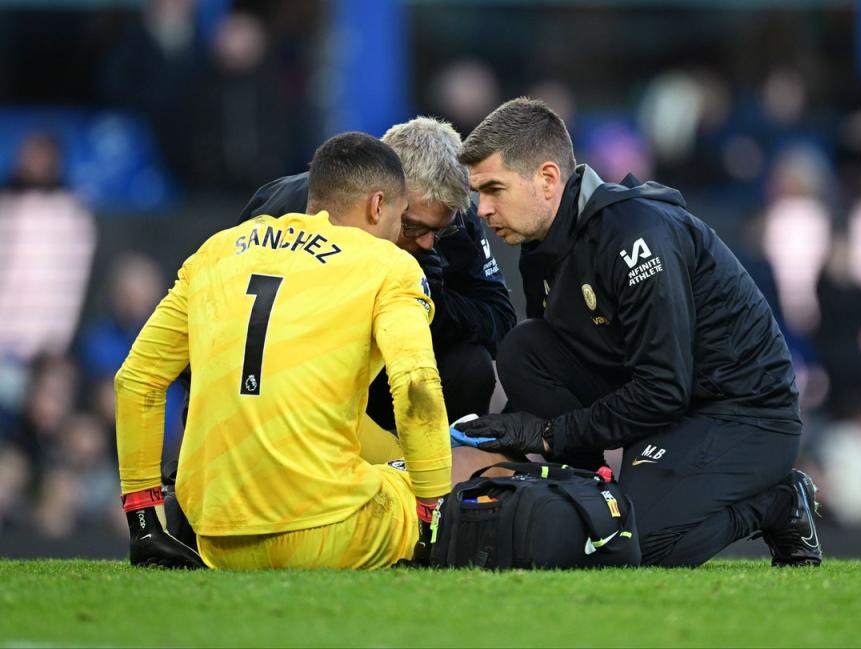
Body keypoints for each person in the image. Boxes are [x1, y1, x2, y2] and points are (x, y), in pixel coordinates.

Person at [455, 98, 822, 568]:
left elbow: (664, 388)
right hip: (668, 400)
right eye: (477, 194)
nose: (482, 210)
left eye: (493, 190)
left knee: (639, 544)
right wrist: (514, 434)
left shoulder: (634, 236)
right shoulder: (541, 244)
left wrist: (548, 433)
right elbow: (570, 363)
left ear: (547, 179)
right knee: (526, 348)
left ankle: (780, 503)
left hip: (742, 412)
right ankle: (585, 500)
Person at [115, 133, 451, 569]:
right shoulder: (388, 265)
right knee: (411, 479)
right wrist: (430, 523)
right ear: (377, 205)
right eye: (402, 219)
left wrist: (145, 524)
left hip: (218, 538)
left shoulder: (216, 251)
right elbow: (416, 387)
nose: (402, 236)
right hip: (333, 532)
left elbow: (136, 380)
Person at [238, 117, 516, 428]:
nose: (427, 242)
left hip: (393, 375)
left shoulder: (455, 224)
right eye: (411, 225)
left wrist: (429, 302)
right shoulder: (286, 206)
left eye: (440, 230)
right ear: (377, 198)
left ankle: (434, 466)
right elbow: (219, 316)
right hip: (297, 374)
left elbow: (501, 320)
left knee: (471, 366)